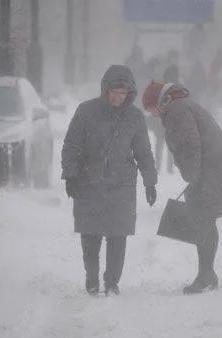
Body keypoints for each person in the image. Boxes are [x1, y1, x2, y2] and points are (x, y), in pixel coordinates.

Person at [142, 80, 222, 294]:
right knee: (205, 218)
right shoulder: (181, 105)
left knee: (202, 217)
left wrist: (192, 176)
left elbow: (190, 144)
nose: (153, 115)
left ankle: (206, 275)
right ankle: (208, 274)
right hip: (215, 165)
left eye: (152, 109)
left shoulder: (177, 111)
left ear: (160, 102)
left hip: (213, 168)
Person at [61, 65, 158, 296]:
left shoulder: (135, 118)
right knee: (90, 234)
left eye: (123, 93)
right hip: (89, 181)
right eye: (114, 91)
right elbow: (71, 145)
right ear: (105, 89)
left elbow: (143, 151)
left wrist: (150, 182)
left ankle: (112, 282)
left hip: (121, 184)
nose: (117, 97)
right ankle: (92, 279)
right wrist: (70, 174)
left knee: (118, 235)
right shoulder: (86, 111)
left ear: (129, 93)